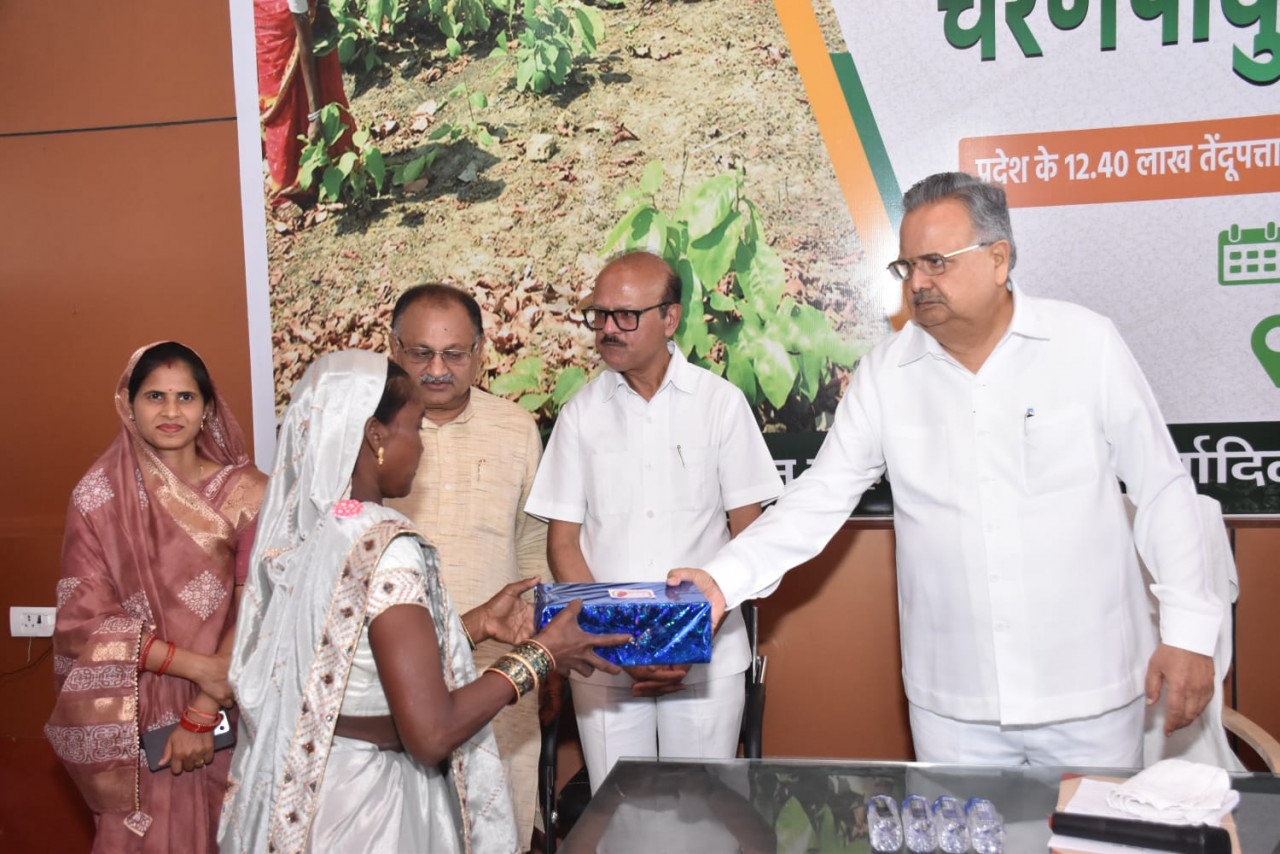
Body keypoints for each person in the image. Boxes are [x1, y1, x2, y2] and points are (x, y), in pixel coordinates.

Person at [671, 172, 1219, 767]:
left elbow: (1162, 487)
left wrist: (1189, 632)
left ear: (998, 259)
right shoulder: (887, 374)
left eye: (936, 262)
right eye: (907, 267)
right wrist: (723, 579)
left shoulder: (1085, 344)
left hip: (1090, 691)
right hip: (954, 706)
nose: (918, 283)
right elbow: (819, 497)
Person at [218, 351, 628, 853]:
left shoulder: (318, 529)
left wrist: (476, 624)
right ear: (375, 436)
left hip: (313, 788)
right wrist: (540, 656)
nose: (421, 445)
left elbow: (358, 660)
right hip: (371, 811)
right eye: (415, 427)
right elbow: (432, 733)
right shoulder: (386, 547)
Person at [525, 251, 782, 791]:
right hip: (605, 659)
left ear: (670, 318)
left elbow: (751, 535)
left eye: (625, 315)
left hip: (707, 657)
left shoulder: (720, 405)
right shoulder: (580, 415)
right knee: (618, 810)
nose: (607, 329)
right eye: (599, 315)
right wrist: (619, 645)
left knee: (703, 812)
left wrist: (682, 640)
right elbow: (563, 544)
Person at [47, 342, 267, 850]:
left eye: (186, 396)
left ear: (208, 407)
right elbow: (83, 619)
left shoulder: (251, 493)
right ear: (129, 404)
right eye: (155, 396)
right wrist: (198, 668)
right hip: (137, 711)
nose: (171, 411)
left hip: (233, 705)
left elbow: (263, 602)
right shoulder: (98, 497)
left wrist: (203, 708)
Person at [386, 284, 550, 847]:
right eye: (420, 353)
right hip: (393, 678)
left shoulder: (516, 428)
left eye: (454, 354)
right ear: (393, 349)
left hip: (496, 675)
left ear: (481, 352)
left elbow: (534, 547)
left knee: (496, 827)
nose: (437, 370)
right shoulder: (369, 436)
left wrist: (541, 649)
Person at [255, 0, 355, 203]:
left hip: (299, 10)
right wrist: (315, 115)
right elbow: (304, 41)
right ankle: (287, 188)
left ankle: (330, 167)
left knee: (323, 71)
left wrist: (323, 7)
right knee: (283, 102)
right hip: (271, 19)